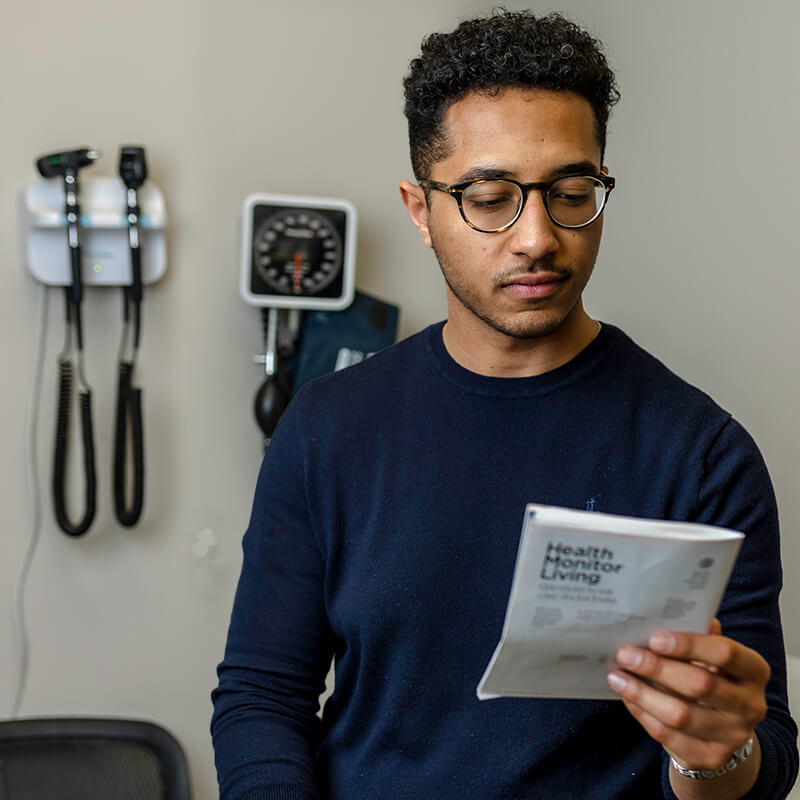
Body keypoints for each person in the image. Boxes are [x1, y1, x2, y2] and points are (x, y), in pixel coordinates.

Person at [211, 10, 798, 799]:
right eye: (490, 197)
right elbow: (261, 700)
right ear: (422, 211)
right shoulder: (325, 432)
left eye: (571, 192)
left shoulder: (702, 454)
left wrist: (712, 754)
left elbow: (761, 761)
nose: (537, 237)